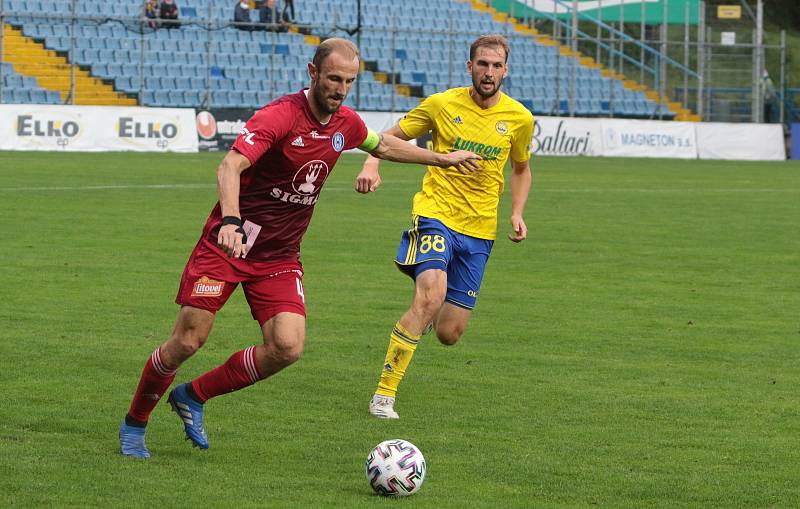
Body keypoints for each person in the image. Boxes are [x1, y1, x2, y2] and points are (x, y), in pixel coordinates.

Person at [118, 38, 481, 458]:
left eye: (349, 81)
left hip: (278, 256)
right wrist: (231, 222)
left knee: (287, 347)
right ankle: (135, 423)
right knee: (187, 340)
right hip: (228, 247)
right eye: (333, 79)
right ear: (313, 73)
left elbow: (381, 144)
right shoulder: (280, 116)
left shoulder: (345, 124)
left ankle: (193, 396)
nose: (340, 89)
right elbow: (230, 165)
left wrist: (442, 159)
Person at [356, 34, 534, 420]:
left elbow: (521, 168)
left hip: (479, 231)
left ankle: (430, 294)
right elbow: (389, 138)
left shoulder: (519, 118)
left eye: (496, 65)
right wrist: (372, 164)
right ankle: (383, 395)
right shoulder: (441, 104)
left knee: (448, 333)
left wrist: (516, 212)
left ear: (506, 70)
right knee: (429, 299)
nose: (489, 72)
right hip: (435, 213)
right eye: (482, 64)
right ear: (469, 66)